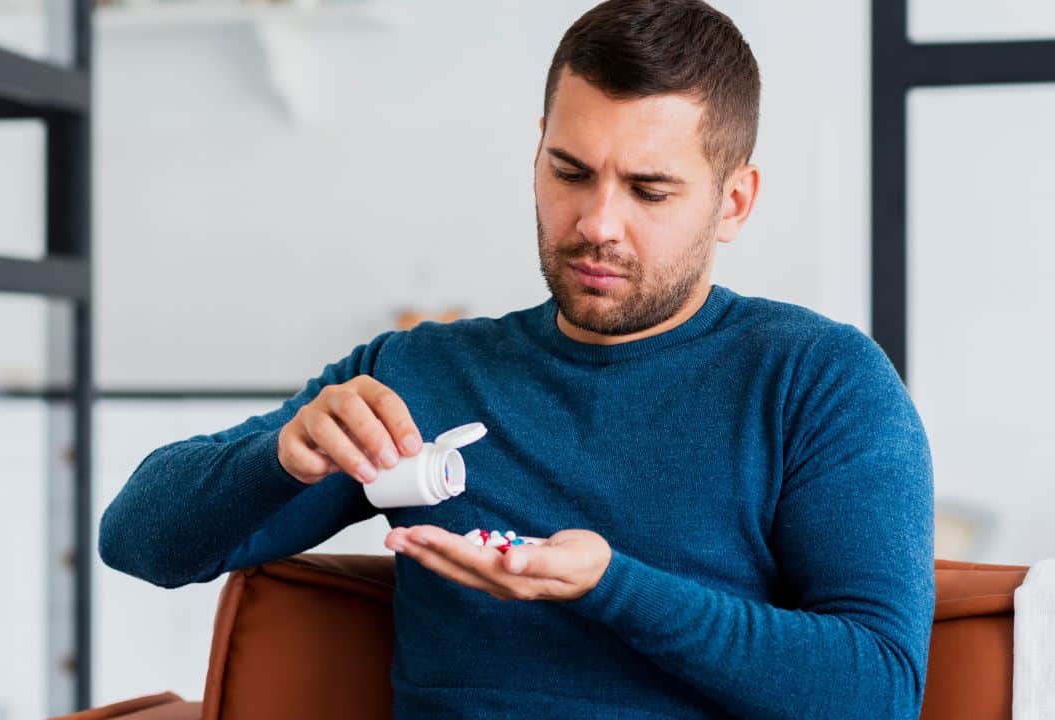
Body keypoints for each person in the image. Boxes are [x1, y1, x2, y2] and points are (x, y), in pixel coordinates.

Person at [98, 0, 935, 717]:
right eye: (570, 172)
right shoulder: (423, 374)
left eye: (650, 190)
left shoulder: (818, 381)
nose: (598, 223)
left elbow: (880, 691)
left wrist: (611, 586)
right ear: (537, 150)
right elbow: (137, 541)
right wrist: (278, 459)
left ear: (734, 201)